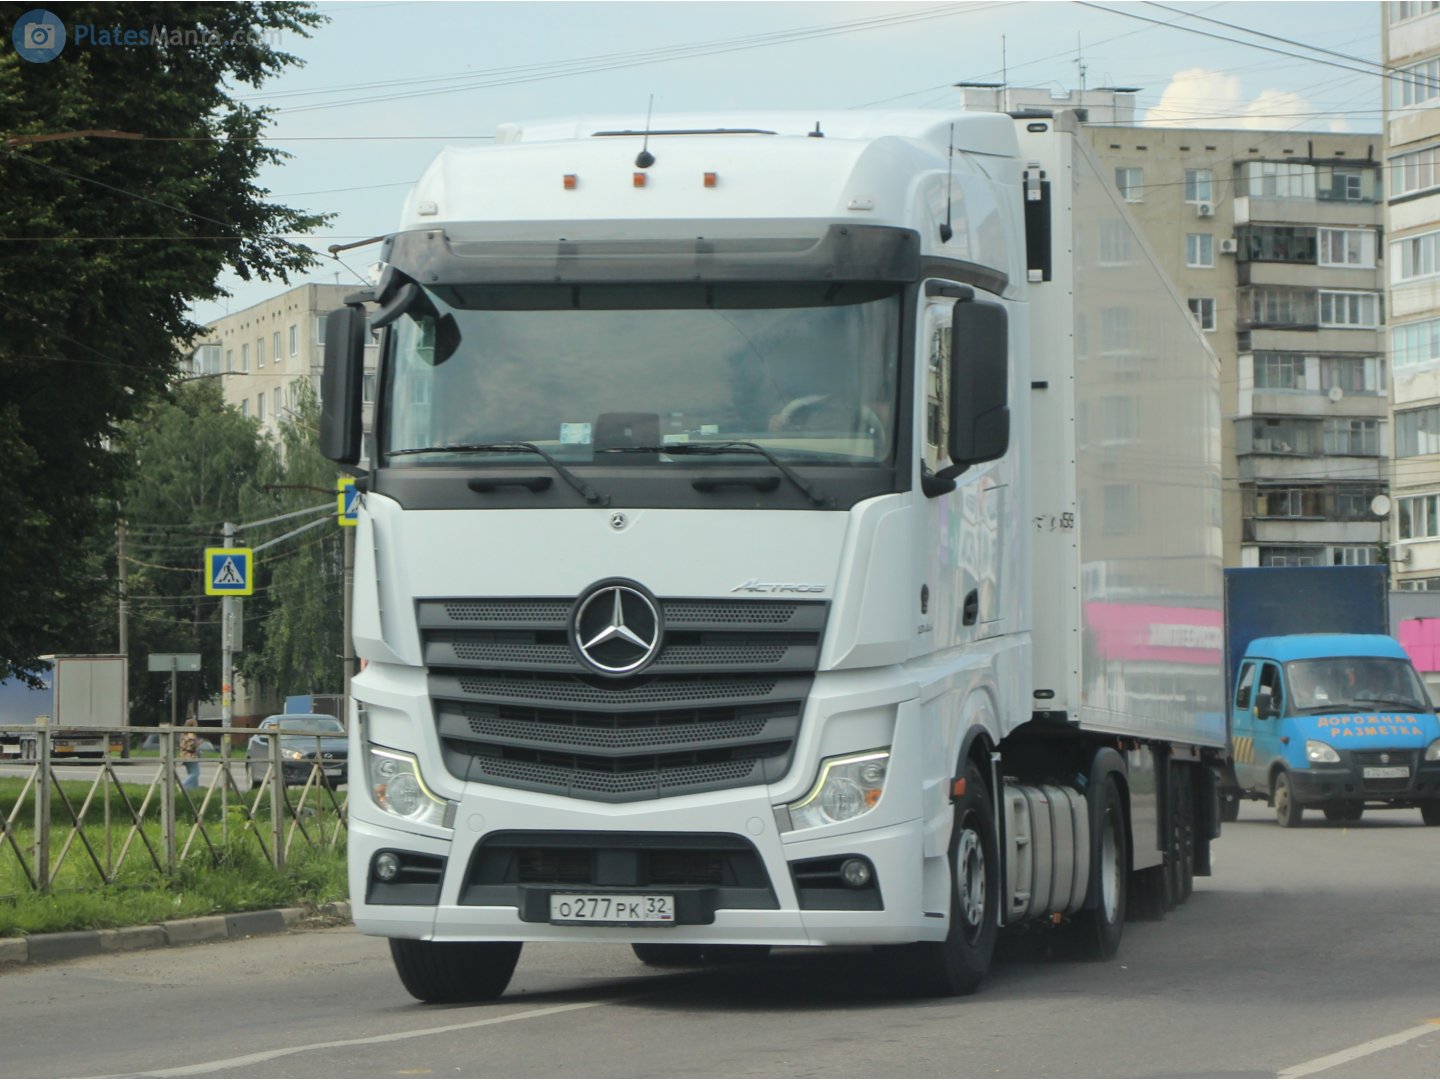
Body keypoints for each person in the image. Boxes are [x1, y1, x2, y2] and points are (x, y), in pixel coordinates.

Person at [178, 715, 201, 791]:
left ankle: (192, 789)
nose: (197, 726)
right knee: (195, 774)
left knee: (191, 773)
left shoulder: (184, 734)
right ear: (192, 725)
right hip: (191, 756)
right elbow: (191, 747)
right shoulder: (191, 734)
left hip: (185, 756)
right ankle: (182, 785)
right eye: (196, 724)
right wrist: (199, 743)